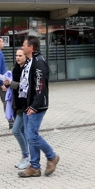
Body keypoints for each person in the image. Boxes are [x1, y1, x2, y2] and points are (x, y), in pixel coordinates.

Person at [18, 36, 59, 178]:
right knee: (30, 136)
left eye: (24, 45)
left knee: (31, 135)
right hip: (27, 104)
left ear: (31, 47)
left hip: (37, 105)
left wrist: (35, 106)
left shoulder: (39, 63)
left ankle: (52, 156)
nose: (22, 47)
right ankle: (34, 167)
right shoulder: (29, 61)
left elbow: (40, 87)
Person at [4, 48, 30, 169]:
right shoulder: (15, 68)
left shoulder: (27, 69)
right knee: (24, 132)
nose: (18, 57)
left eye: (20, 55)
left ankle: (26, 156)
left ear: (25, 56)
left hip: (24, 105)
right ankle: (27, 157)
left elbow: (25, 86)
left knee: (16, 130)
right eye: (16, 55)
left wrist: (11, 84)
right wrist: (6, 85)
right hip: (16, 104)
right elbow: (14, 84)